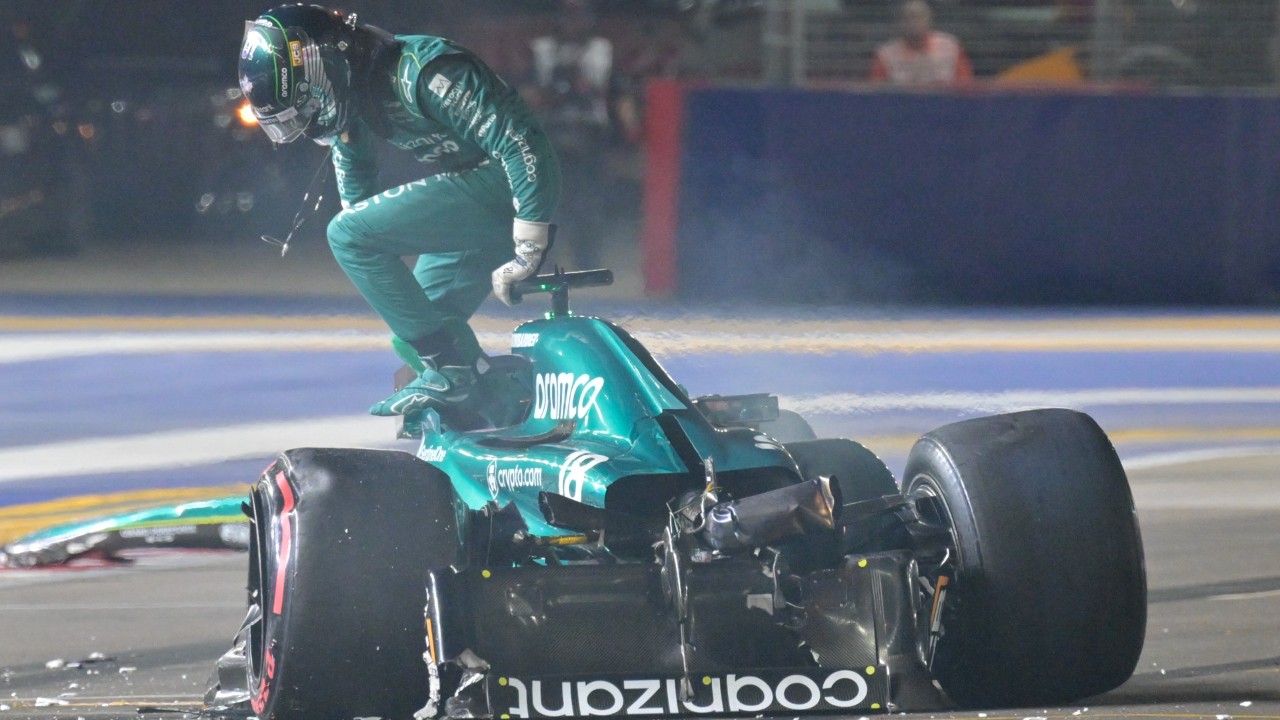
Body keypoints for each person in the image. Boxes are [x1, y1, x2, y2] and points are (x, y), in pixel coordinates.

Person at [238, 4, 561, 419]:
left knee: (346, 236)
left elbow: (522, 142)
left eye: (309, 98)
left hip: (506, 185)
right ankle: (497, 401)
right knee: (414, 327)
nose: (312, 114)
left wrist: (530, 242)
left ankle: (455, 373)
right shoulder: (355, 86)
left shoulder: (422, 70)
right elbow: (356, 187)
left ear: (326, 60)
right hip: (484, 196)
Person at [524, 1, 613, 270]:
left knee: (588, 202)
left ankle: (587, 264)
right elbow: (531, 92)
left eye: (580, 16)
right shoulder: (542, 49)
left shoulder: (600, 49)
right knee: (548, 202)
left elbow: (604, 91)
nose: (574, 23)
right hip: (551, 132)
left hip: (588, 133)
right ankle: (544, 261)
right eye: (569, 16)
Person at [869, 0, 974, 86]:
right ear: (900, 22)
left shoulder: (950, 47)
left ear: (929, 19)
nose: (913, 23)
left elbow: (966, 86)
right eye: (908, 18)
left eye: (919, 17)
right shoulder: (886, 54)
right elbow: (877, 93)